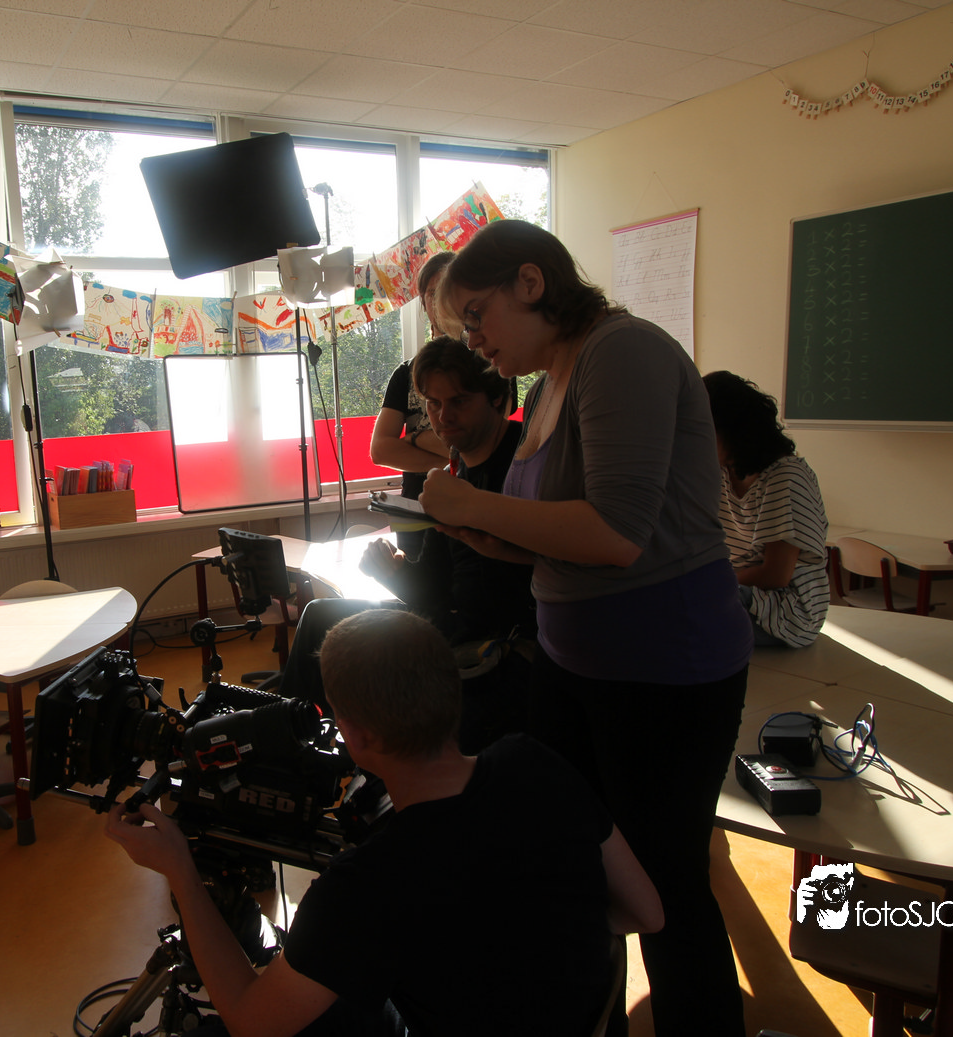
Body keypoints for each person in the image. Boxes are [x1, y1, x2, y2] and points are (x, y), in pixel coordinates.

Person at [420, 220, 752, 1036]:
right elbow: (553, 529)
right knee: (578, 861)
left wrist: (474, 502)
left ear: (530, 283)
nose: (473, 340)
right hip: (575, 660)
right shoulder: (549, 380)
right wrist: (487, 533)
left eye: (476, 315)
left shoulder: (621, 351)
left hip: (661, 665)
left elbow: (615, 532)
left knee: (662, 883)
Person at [105, 609, 663, 1037]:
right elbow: (648, 913)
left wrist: (181, 871)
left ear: (357, 736)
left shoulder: (366, 886)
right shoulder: (534, 761)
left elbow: (253, 1023)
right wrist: (530, 934)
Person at [283, 336, 534, 751]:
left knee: (335, 635)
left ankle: (299, 749)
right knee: (317, 618)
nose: (442, 417)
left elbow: (490, 591)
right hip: (448, 621)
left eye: (458, 401)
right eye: (433, 404)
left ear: (497, 400)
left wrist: (408, 583)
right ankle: (291, 745)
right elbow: (433, 585)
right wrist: (392, 572)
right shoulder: (455, 471)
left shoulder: (523, 462)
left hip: (490, 639)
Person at [703, 370, 830, 648]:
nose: (696, 440)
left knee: (681, 607)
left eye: (704, 430)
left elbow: (775, 575)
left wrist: (709, 582)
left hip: (788, 612)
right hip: (743, 593)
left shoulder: (786, 476)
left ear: (733, 430)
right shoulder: (723, 473)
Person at [368, 251, 460, 563]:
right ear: (423, 303)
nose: (439, 301)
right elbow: (380, 450)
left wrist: (413, 439)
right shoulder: (405, 373)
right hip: (413, 510)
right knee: (410, 584)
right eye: (432, 293)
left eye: (447, 290)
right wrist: (449, 459)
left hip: (468, 506)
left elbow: (478, 445)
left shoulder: (486, 364)